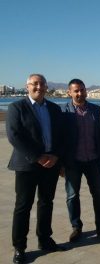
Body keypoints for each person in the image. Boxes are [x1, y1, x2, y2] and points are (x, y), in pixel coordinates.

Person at [7, 74, 65, 264]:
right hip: (27, 165)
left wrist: (56, 156)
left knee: (46, 202)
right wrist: (37, 157)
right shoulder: (17, 107)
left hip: (51, 164)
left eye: (42, 84)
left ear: (47, 87)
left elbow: (60, 136)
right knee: (23, 206)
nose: (39, 87)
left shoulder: (55, 109)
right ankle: (19, 247)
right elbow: (14, 136)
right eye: (35, 84)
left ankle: (45, 239)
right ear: (27, 86)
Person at [62, 78, 100, 242]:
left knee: (99, 195)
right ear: (69, 92)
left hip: (94, 160)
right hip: (73, 162)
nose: (79, 93)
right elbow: (59, 139)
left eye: (82, 90)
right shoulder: (63, 112)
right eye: (76, 90)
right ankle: (76, 227)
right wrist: (60, 164)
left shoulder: (95, 110)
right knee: (72, 196)